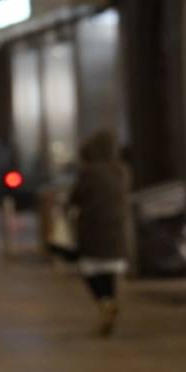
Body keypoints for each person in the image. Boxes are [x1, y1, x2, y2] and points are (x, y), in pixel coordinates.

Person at [58, 132, 133, 336]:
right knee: (109, 270)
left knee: (89, 268)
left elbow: (75, 198)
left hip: (92, 229)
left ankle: (104, 302)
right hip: (116, 229)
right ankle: (109, 303)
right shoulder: (121, 171)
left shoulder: (89, 173)